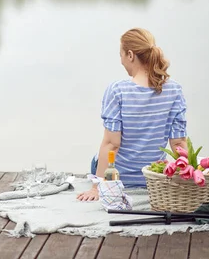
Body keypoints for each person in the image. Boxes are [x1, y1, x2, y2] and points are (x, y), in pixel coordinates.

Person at [77, 28, 187, 201]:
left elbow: (111, 144)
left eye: (120, 55)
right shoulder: (174, 90)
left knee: (98, 156)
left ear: (130, 55)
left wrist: (97, 188)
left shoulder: (117, 90)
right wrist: (190, 179)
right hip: (154, 177)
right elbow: (178, 143)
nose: (121, 61)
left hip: (117, 178)